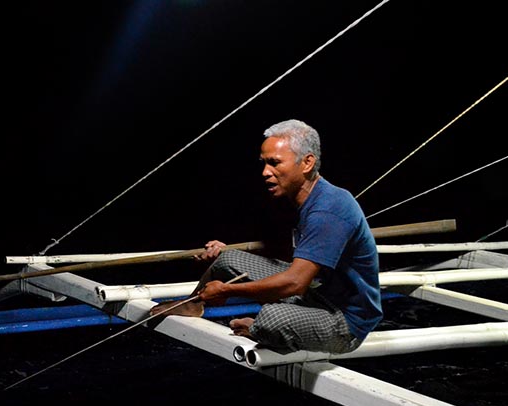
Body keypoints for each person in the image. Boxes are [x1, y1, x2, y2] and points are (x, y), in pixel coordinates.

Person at [150, 119, 382, 354]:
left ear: (307, 163)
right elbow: (294, 256)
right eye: (263, 163)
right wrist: (224, 252)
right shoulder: (305, 200)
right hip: (316, 294)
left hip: (345, 322)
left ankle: (259, 329)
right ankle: (193, 304)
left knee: (271, 318)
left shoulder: (328, 209)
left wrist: (226, 291)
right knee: (228, 260)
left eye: (275, 163)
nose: (265, 172)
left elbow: (295, 282)